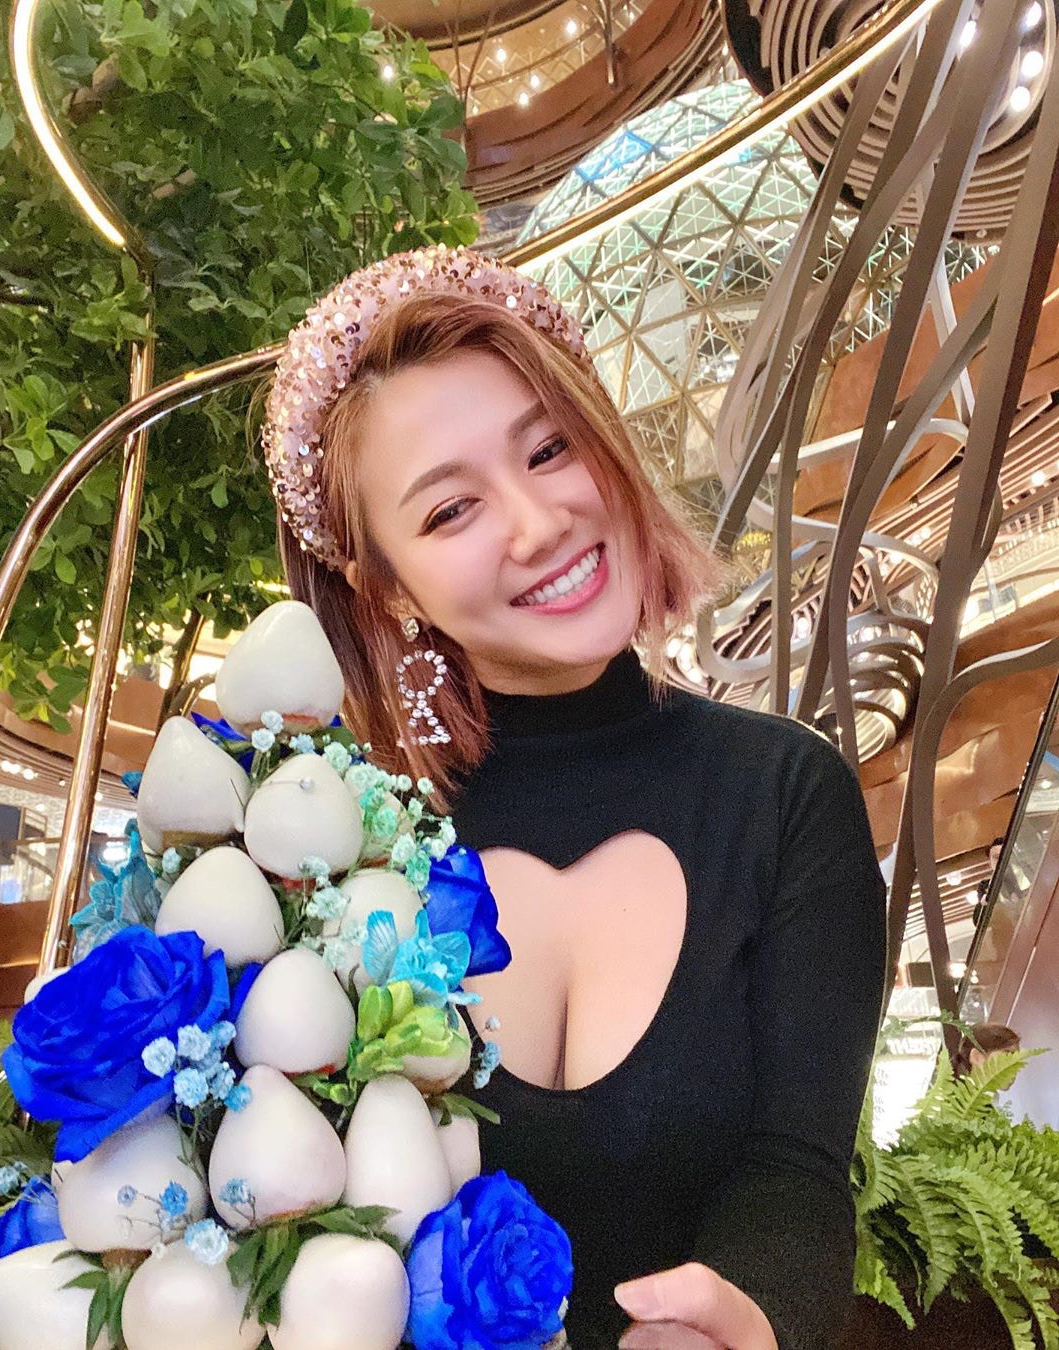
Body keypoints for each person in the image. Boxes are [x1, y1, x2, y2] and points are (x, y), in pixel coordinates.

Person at [261, 247, 888, 1350]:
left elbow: (795, 1172)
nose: (539, 522)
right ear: (387, 587)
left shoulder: (785, 798)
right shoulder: (339, 848)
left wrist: (740, 1317)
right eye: (451, 510)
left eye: (548, 449)